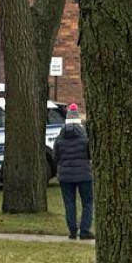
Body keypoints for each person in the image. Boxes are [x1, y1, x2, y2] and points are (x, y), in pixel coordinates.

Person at [54, 103, 94, 240]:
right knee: (87, 202)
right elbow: (90, 155)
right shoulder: (85, 137)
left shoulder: (60, 138)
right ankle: (85, 230)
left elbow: (56, 157)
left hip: (65, 176)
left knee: (69, 203)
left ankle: (72, 231)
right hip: (84, 174)